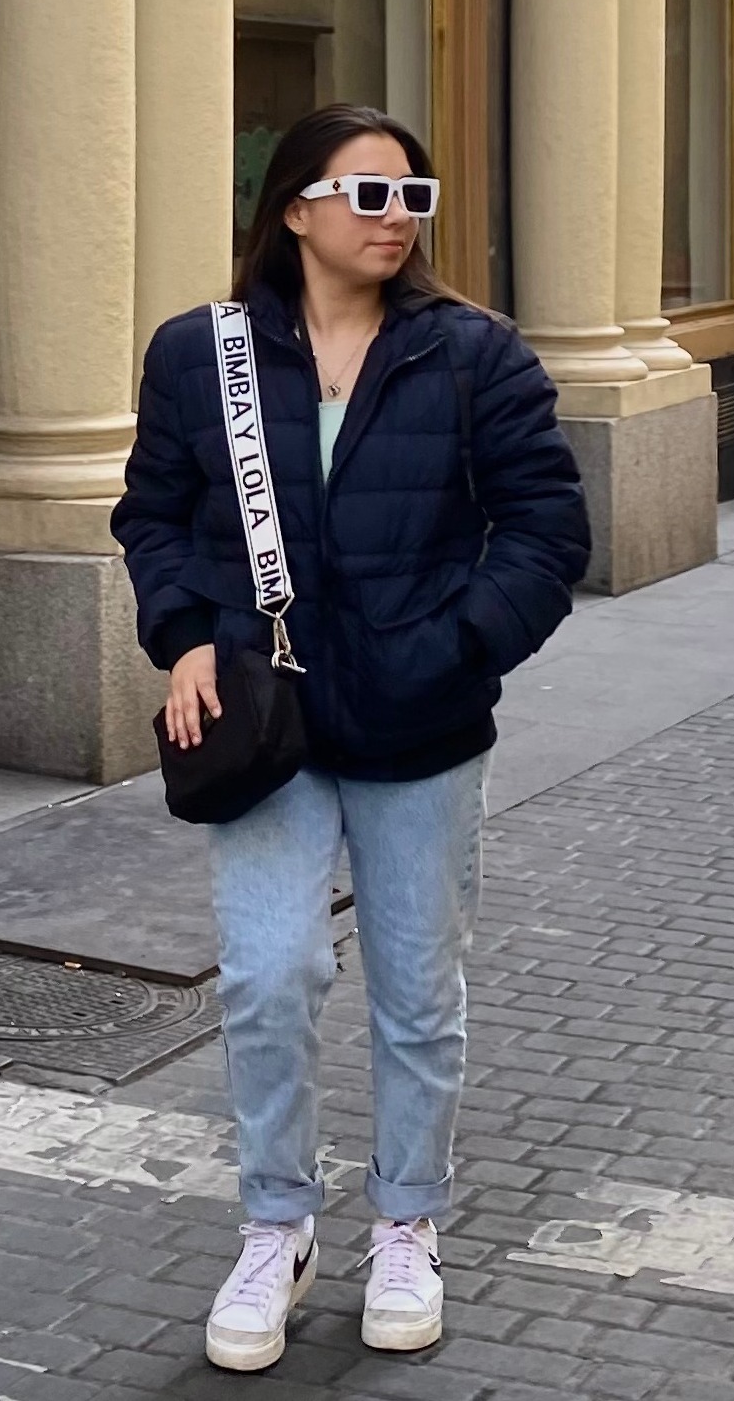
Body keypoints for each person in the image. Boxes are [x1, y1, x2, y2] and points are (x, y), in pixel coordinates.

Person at [111, 104, 590, 1371]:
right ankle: (277, 1226)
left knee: (417, 995)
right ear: (295, 209)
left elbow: (548, 531)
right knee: (269, 976)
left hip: (420, 725)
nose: (396, 218)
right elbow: (152, 512)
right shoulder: (200, 353)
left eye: (411, 195)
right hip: (264, 724)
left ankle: (406, 1221)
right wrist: (185, 635)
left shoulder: (472, 353)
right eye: (369, 193)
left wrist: (455, 645)